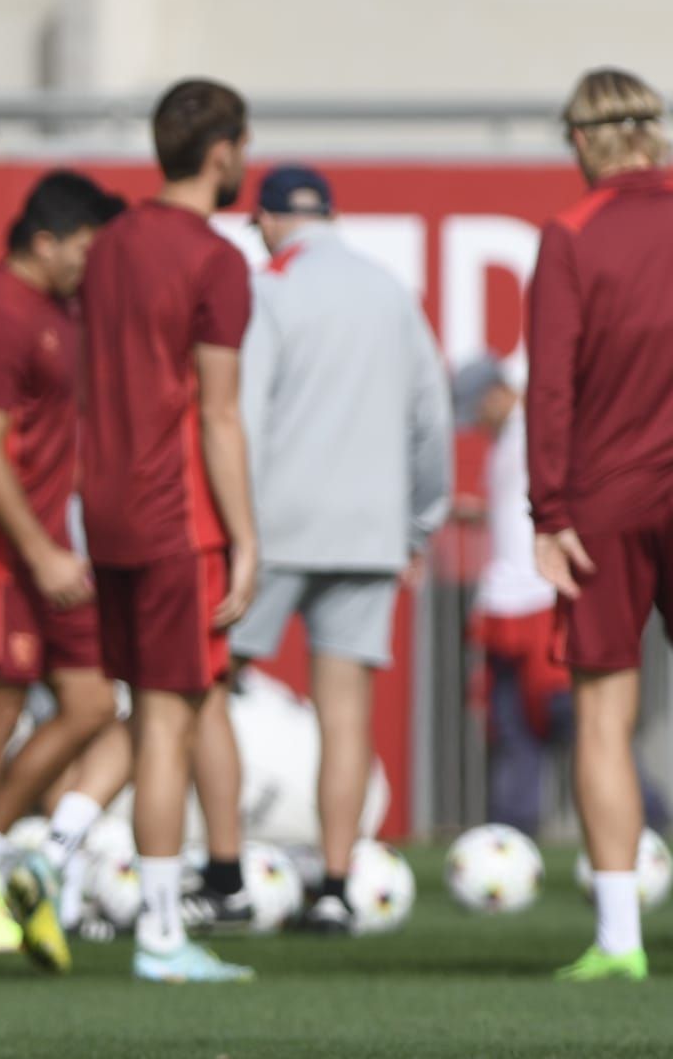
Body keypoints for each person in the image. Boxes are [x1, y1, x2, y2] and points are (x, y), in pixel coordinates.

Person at [230, 164, 452, 933]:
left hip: (275, 524)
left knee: (195, 689)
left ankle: (213, 867)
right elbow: (432, 415)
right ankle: (332, 881)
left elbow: (243, 415)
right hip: (368, 528)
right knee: (345, 713)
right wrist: (418, 524)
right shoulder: (388, 290)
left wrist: (236, 527)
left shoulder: (269, 287)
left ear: (267, 219)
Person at [78, 79, 258, 984]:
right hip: (176, 514)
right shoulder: (217, 259)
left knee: (148, 711)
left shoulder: (106, 245)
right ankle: (158, 931)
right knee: (167, 720)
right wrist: (249, 539)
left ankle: (63, 845)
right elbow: (218, 417)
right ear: (222, 150)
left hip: (105, 509)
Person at [0, 172, 124, 972]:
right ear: (46, 241)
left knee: (94, 703)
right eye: (87, 246)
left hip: (50, 545)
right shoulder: (0, 310)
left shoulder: (59, 311)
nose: (95, 262)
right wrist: (38, 549)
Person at [525, 67, 673, 982]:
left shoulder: (572, 233)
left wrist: (548, 511)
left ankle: (619, 938)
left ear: (581, 142)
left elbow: (551, 385)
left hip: (607, 500)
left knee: (603, 713)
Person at [457, 356, 570, 835]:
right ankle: (512, 832)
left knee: (581, 722)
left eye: (477, 408)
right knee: (512, 729)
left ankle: (649, 818)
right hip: (507, 604)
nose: (476, 422)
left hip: (542, 603)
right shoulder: (506, 441)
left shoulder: (538, 429)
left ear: (496, 393)